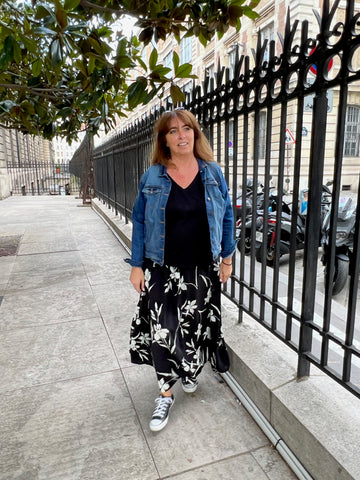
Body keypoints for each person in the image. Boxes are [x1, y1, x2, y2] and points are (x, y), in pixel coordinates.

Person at [128, 109, 236, 432]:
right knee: (163, 333)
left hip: (202, 269)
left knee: (194, 328)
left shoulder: (213, 173)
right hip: (163, 269)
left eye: (186, 128)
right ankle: (165, 393)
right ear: (165, 140)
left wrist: (227, 259)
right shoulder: (154, 177)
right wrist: (137, 266)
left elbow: (227, 216)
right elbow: (140, 221)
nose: (181, 135)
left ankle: (189, 372)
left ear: (196, 134)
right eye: (173, 131)